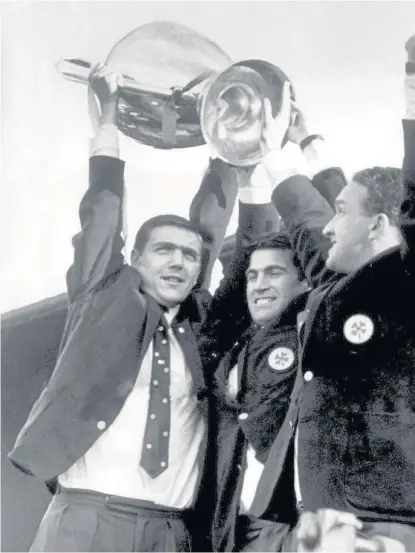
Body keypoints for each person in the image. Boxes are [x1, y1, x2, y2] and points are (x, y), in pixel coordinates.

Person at [7, 64, 243, 552]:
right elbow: (101, 214)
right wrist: (108, 120)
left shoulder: (204, 329)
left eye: (189, 255)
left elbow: (212, 226)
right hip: (85, 518)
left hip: (170, 530)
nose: (178, 261)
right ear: (135, 259)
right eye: (163, 250)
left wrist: (230, 143)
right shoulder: (101, 298)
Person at [248, 34, 415, 551]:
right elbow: (309, 217)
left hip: (380, 521)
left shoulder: (404, 281)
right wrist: (298, 144)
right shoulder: (342, 286)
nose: (329, 226)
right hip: (324, 518)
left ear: (381, 225)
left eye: (343, 211)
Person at [200, 87, 347, 552]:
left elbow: (340, 247)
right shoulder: (237, 344)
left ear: (304, 283)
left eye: (275, 274)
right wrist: (239, 164)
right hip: (235, 531)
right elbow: (246, 247)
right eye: (253, 277)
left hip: (298, 529)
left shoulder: (317, 334)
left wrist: (299, 150)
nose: (258, 284)